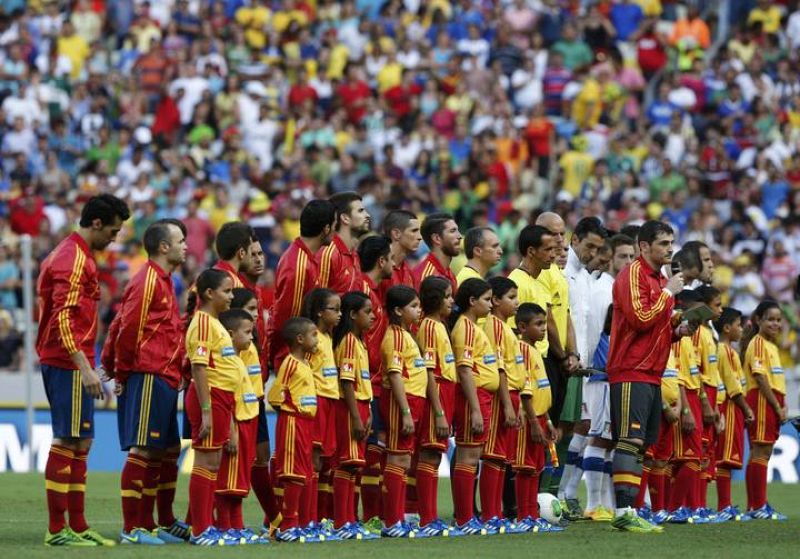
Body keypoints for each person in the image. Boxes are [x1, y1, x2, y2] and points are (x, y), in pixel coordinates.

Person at [38, 193, 130, 547]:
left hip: (72, 358)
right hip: (66, 360)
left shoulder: (75, 255)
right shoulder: (72, 259)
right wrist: (84, 366)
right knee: (68, 438)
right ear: (96, 224)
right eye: (113, 230)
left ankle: (76, 525)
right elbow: (62, 317)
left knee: (82, 439)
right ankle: (58, 529)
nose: (115, 238)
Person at [101, 219, 188, 545]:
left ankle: (156, 523)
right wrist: (120, 372)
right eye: (180, 240)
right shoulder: (147, 280)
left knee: (166, 450)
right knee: (144, 448)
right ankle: (132, 528)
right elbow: (125, 328)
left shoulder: (166, 281)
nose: (186, 246)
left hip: (164, 375)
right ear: (163, 246)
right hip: (147, 374)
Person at [606, 220, 686, 532]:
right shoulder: (634, 274)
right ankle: (624, 511)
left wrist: (679, 330)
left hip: (651, 372)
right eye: (664, 243)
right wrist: (668, 294)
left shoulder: (657, 279)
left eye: (671, 242)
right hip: (631, 368)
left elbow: (656, 326)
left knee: (640, 445)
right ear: (644, 247)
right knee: (630, 439)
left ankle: (632, 511)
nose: (670, 248)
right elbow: (640, 319)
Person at [582, 234, 636, 521]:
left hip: (615, 373)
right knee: (600, 438)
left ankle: (605, 503)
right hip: (602, 372)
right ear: (610, 256)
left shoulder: (619, 287)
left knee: (613, 439)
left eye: (631, 257)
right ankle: (592, 503)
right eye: (622, 256)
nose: (628, 262)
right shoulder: (604, 288)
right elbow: (597, 331)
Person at [183, 269, 238, 546]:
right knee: (205, 461)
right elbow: (199, 367)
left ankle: (203, 526)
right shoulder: (203, 323)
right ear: (208, 294)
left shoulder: (214, 323)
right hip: (210, 397)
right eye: (226, 291)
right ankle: (200, 529)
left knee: (213, 462)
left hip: (221, 398)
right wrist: (206, 409)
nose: (231, 296)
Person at [560, 217, 608, 518]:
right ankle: (553, 494)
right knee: (563, 428)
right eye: (589, 245)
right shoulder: (561, 272)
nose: (593, 252)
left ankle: (565, 493)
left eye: (598, 248)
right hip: (566, 360)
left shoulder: (589, 277)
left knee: (581, 426)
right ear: (574, 239)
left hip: (587, 365)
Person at [449, 278, 501, 535]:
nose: (491, 304)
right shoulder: (466, 328)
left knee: (473, 457)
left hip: (482, 397)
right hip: (473, 398)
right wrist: (475, 409)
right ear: (472, 301)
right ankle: (464, 519)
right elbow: (465, 370)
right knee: (468, 456)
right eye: (487, 299)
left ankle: (468, 517)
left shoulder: (473, 326)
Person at [214, 309, 267, 544]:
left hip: (249, 423)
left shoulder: (237, 361)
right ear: (230, 334)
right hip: (236, 427)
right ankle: (225, 527)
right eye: (247, 332)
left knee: (240, 482)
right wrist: (231, 432)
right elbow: (227, 404)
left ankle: (237, 526)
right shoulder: (226, 364)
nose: (252, 337)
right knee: (228, 482)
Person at [379, 285, 427, 537]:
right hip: (402, 402)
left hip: (412, 401)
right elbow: (395, 375)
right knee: (397, 458)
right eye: (414, 306)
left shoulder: (407, 334)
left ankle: (397, 519)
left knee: (404, 459)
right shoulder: (395, 336)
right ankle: (391, 522)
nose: (419, 311)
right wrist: (405, 411)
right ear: (398, 310)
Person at [480, 276, 526, 532]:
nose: (516, 302)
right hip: (502, 396)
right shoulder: (495, 326)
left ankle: (494, 513)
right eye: (511, 297)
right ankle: (490, 514)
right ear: (496, 300)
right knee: (493, 456)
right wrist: (508, 404)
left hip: (512, 396)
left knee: (502, 458)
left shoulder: (506, 327)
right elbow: (499, 367)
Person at [268, 317, 321, 541]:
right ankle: (288, 525)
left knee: (304, 473)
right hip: (292, 422)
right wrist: (291, 412)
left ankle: (296, 523)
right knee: (293, 473)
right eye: (314, 334)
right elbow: (274, 396)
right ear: (300, 339)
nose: (317, 339)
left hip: (306, 423)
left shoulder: (306, 363)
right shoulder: (289, 363)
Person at [266, 199, 335, 371]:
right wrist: (283, 360)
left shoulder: (307, 258)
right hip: (294, 364)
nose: (336, 231)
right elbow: (288, 319)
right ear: (326, 229)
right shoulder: (298, 265)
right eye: (334, 225)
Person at [416, 276, 461, 536]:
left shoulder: (439, 325)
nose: (451, 300)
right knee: (429, 455)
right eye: (446, 296)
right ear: (434, 299)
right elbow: (430, 372)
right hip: (437, 396)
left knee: (434, 456)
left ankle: (430, 517)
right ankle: (426, 518)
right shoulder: (430, 327)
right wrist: (439, 412)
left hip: (446, 394)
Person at [332, 292, 379, 539]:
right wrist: (356, 417)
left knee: (353, 467)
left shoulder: (359, 341)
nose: (373, 316)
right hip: (348, 408)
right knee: (346, 464)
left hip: (360, 406)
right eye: (367, 312)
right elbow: (347, 382)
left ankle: (349, 519)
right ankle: (342, 522)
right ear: (352, 315)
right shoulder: (349, 341)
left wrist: (367, 410)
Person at [515, 303, 562, 532]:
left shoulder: (535, 350)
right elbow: (526, 391)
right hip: (529, 419)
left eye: (545, 323)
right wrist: (534, 422)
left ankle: (532, 515)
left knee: (536, 467)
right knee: (525, 467)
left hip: (542, 417)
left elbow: (541, 390)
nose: (544, 329)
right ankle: (524, 516)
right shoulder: (522, 349)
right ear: (522, 327)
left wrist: (549, 421)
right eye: (539, 324)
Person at [357, 236, 392, 526]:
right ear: (382, 260)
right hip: (366, 382)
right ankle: (368, 517)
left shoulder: (374, 292)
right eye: (390, 258)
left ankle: (374, 516)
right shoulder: (363, 291)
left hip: (375, 382)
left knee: (375, 451)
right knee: (368, 453)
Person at [741, 300, 788, 520]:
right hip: (761, 399)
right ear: (758, 319)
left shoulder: (772, 345)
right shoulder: (758, 343)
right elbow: (760, 377)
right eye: (770, 319)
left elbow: (776, 378)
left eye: (778, 320)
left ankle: (755, 505)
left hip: (771, 399)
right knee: (761, 450)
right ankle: (758, 505)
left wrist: (783, 402)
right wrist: (777, 405)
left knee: (762, 453)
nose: (775, 324)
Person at [303, 288, 342, 528]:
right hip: (316, 401)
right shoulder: (312, 337)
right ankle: (306, 519)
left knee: (324, 462)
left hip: (330, 401)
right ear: (319, 311)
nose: (339, 315)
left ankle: (317, 518)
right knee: (312, 460)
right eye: (334, 310)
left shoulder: (328, 337)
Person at [666, 291, 705, 523]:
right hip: (682, 400)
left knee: (686, 458)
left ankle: (678, 508)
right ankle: (673, 508)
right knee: (686, 458)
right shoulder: (678, 338)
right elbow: (677, 375)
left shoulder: (689, 337)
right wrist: (687, 409)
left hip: (691, 397)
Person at [713, 307, 754, 521]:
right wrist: (746, 408)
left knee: (728, 460)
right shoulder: (724, 351)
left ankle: (725, 505)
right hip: (728, 407)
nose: (742, 329)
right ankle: (723, 506)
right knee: (724, 459)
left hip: (734, 408)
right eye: (738, 325)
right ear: (727, 328)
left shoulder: (731, 351)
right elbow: (732, 385)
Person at [692, 285, 724, 518]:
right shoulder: (698, 334)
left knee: (706, 453)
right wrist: (705, 402)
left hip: (712, 396)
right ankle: (693, 504)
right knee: (698, 452)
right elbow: (697, 370)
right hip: (701, 395)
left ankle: (700, 504)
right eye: (717, 305)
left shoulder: (708, 333)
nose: (720, 310)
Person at [318, 191, 372, 295]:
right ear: (345, 218)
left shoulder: (354, 253)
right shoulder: (328, 253)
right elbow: (319, 301)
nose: (368, 215)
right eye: (361, 211)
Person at [414, 212, 462, 292]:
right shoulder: (428, 278)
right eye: (453, 231)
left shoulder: (448, 272)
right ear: (437, 238)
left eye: (458, 230)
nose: (460, 236)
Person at [379, 209, 422, 298]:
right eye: (414, 231)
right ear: (396, 234)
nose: (420, 237)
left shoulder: (407, 271)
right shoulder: (380, 267)